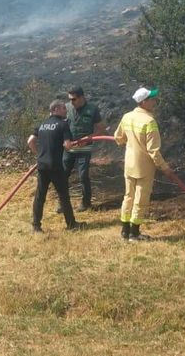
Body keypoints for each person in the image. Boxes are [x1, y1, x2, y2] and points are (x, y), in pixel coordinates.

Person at [113, 86, 173, 241]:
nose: (154, 101)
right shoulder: (150, 121)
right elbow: (153, 151)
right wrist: (165, 167)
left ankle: (125, 231)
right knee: (141, 199)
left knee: (128, 196)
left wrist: (130, 141)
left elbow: (118, 138)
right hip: (144, 167)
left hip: (129, 164)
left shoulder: (127, 117)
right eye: (152, 99)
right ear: (144, 102)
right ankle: (134, 233)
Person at [27, 99, 83, 234]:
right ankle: (71, 224)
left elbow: (30, 141)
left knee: (40, 196)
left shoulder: (42, 125)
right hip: (55, 166)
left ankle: (36, 226)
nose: (66, 111)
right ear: (56, 109)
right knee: (63, 195)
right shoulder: (63, 125)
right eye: (63, 108)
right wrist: (75, 145)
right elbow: (67, 145)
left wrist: (38, 154)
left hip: (42, 165)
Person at [62, 86, 106, 211]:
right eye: (69, 99)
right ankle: (63, 203)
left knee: (83, 175)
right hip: (69, 147)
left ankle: (86, 203)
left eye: (74, 99)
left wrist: (88, 138)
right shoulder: (66, 108)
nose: (71, 102)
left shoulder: (92, 109)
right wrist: (65, 140)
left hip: (84, 148)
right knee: (63, 174)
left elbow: (100, 129)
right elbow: (61, 126)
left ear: (82, 97)